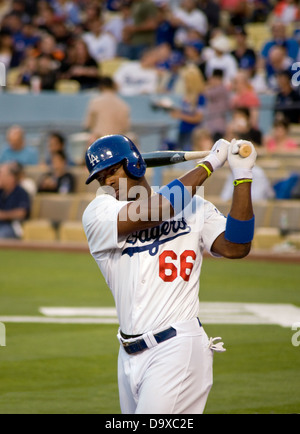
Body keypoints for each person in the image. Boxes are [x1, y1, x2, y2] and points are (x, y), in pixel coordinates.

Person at [82, 134, 257, 414]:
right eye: (102, 177)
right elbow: (160, 210)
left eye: (113, 170)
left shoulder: (195, 205)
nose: (109, 181)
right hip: (127, 353)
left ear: (135, 165)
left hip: (177, 347)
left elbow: (236, 246)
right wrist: (210, 163)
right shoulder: (99, 212)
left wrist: (243, 176)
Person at [170, 64, 206, 151]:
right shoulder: (186, 96)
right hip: (182, 129)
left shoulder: (200, 97)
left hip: (192, 132)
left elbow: (198, 118)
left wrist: (180, 115)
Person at [0, 162, 31, 239]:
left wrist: (3, 215)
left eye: (1, 175)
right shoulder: (1, 191)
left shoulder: (21, 192)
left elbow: (21, 213)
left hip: (12, 226)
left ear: (11, 177)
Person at [204, 69, 231, 139]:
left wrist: (207, 86)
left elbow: (207, 93)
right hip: (212, 123)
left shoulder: (221, 89)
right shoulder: (217, 88)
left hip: (218, 124)